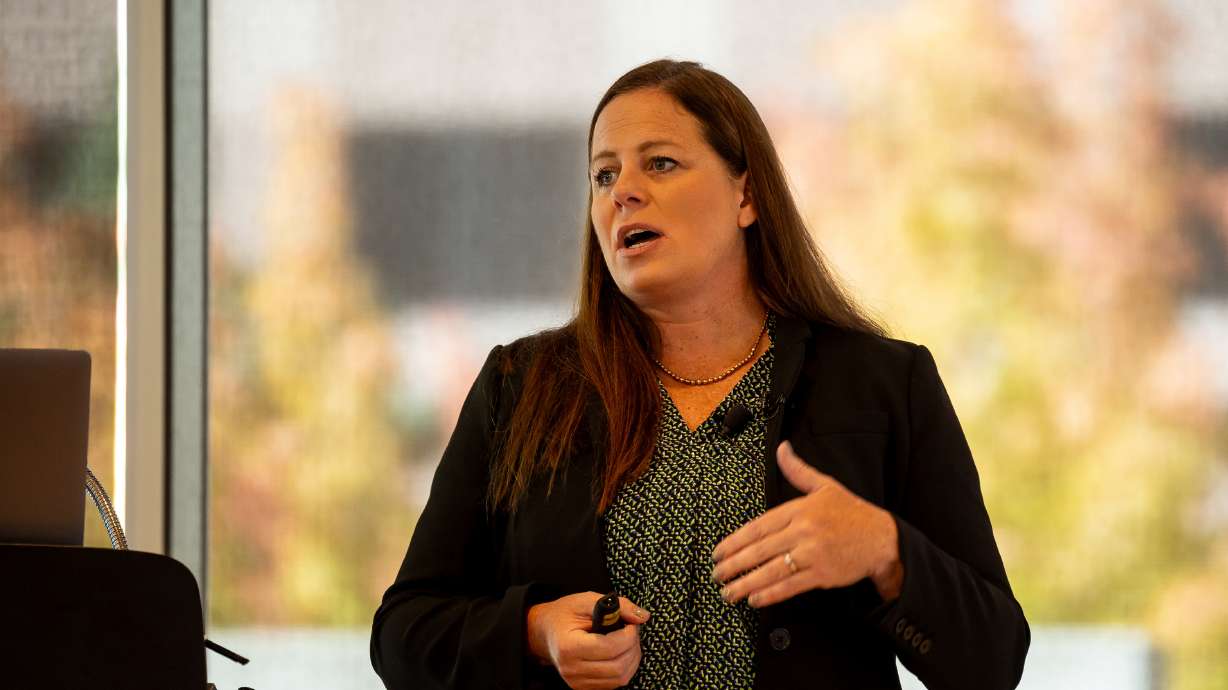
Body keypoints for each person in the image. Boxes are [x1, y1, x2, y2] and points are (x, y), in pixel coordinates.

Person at [370, 59, 1029, 690]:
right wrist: (533, 631)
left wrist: (886, 552)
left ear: (746, 194)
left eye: (660, 163)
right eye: (603, 175)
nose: (623, 190)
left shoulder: (885, 383)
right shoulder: (521, 385)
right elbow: (403, 636)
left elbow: (992, 664)